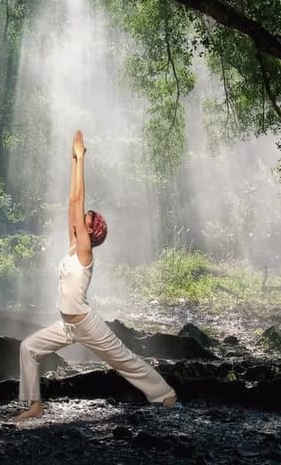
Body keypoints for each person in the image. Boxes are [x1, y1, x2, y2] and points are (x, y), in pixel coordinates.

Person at [15, 129, 177, 420]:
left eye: (85, 220)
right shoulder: (73, 245)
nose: (80, 218)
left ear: (90, 231)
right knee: (28, 348)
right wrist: (74, 160)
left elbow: (78, 201)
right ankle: (34, 405)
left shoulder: (85, 251)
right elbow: (72, 201)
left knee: (122, 358)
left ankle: (165, 394)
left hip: (87, 324)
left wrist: (81, 160)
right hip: (67, 325)